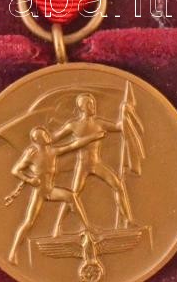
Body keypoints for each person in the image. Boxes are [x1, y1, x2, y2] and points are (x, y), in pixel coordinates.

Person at [8, 125, 103, 265]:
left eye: (46, 133)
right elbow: (16, 170)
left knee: (71, 196)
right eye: (43, 136)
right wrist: (29, 179)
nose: (47, 136)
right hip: (39, 191)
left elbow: (73, 145)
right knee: (28, 222)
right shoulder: (32, 154)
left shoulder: (52, 151)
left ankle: (87, 227)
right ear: (37, 140)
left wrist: (93, 137)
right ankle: (13, 252)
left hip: (50, 190)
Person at [52, 93, 132, 235]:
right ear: (82, 107)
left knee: (118, 186)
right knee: (73, 195)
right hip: (82, 166)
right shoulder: (73, 126)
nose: (93, 106)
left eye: (93, 103)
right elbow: (52, 139)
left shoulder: (99, 123)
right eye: (89, 104)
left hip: (96, 163)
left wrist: (125, 112)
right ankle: (58, 226)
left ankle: (127, 221)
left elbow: (119, 127)